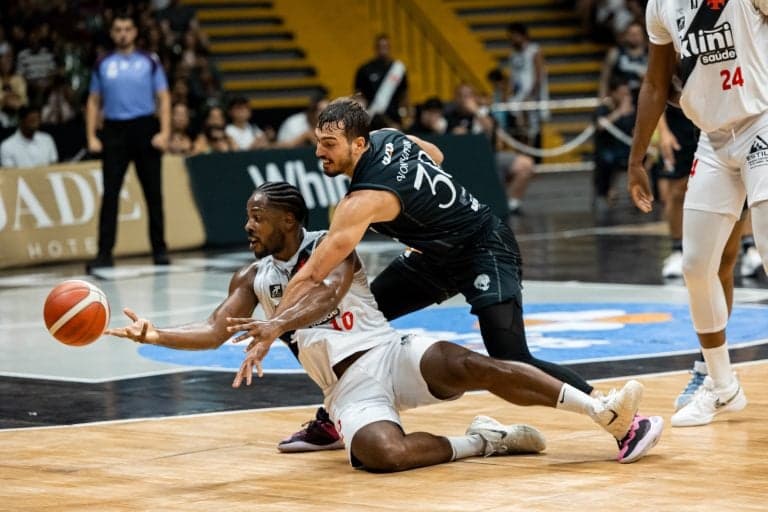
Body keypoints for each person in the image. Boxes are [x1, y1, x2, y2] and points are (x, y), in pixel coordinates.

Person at [107, 182, 663, 470]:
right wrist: (155, 334)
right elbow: (213, 330)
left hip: (390, 352)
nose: (248, 226)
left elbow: (325, 295)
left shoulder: (332, 246)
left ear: (289, 221)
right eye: (248, 217)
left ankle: (603, 412)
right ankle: (484, 441)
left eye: (258, 217)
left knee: (475, 363)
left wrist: (275, 326)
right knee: (381, 456)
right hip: (347, 389)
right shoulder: (252, 276)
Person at [241, 97, 661, 451]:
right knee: (354, 316)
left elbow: (313, 274)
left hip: (484, 247)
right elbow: (436, 156)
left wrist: (274, 325)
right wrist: (425, 217)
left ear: (358, 144)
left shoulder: (361, 201)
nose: (319, 152)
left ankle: (617, 416)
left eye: (329, 144)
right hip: (434, 256)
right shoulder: (390, 137)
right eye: (318, 142)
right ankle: (332, 419)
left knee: (509, 356)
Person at [627, 0, 768, 427]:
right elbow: (656, 82)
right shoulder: (660, 6)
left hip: (761, 121)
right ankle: (721, 385)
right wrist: (636, 159)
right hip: (712, 139)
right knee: (696, 265)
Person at [85, 10, 171, 272]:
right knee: (110, 194)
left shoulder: (149, 60)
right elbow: (93, 101)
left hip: (145, 127)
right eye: (118, 30)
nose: (123, 34)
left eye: (127, 29)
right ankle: (104, 253)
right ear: (112, 34)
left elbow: (164, 97)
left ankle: (159, 249)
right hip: (115, 130)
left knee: (153, 193)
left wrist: (165, 132)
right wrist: (91, 135)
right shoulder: (103, 63)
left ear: (134, 32)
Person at [504, 23, 549, 161]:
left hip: (532, 96)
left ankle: (534, 159)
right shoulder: (513, 55)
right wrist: (508, 94)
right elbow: (512, 77)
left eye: (513, 36)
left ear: (522, 35)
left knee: (532, 128)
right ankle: (522, 157)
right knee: (519, 128)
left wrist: (531, 95)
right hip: (518, 96)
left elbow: (539, 75)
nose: (511, 40)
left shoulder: (534, 51)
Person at [353, 34, 408, 129]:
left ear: (390, 48)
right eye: (380, 47)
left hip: (393, 118)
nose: (383, 49)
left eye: (385, 46)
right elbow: (358, 94)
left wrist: (407, 116)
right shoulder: (365, 69)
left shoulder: (398, 69)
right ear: (375, 48)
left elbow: (404, 94)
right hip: (371, 118)